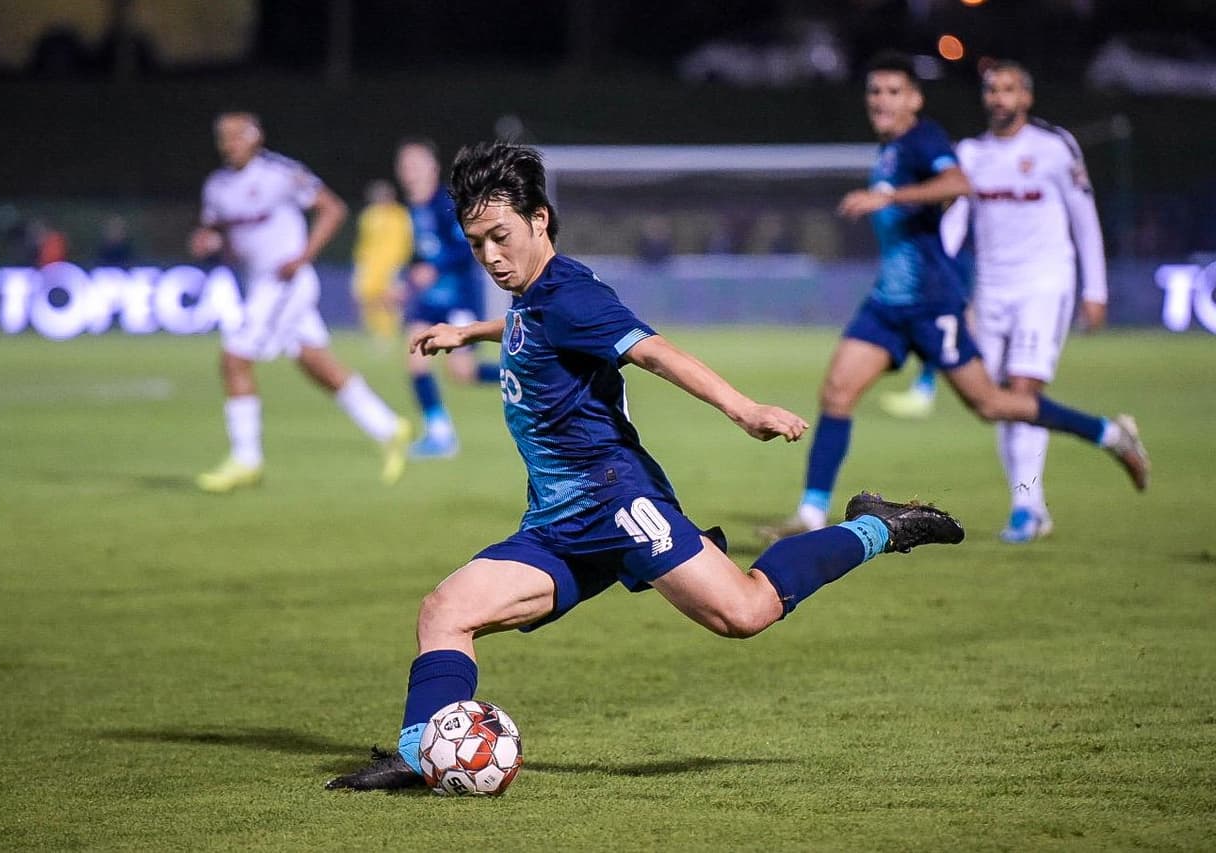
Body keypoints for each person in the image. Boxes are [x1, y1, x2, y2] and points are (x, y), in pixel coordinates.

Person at [325, 140, 967, 793]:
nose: (490, 256)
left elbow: (655, 351)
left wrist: (743, 408)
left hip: (618, 504)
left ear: (540, 219)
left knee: (744, 612)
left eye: (500, 236)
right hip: (557, 523)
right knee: (445, 610)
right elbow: (534, 327)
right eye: (475, 243)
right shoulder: (533, 292)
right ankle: (418, 754)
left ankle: (875, 527)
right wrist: (468, 333)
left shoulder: (572, 295)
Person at [757, 52, 1148, 542]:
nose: (881, 100)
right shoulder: (893, 148)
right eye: (875, 91)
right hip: (888, 304)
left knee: (993, 403)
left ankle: (1109, 435)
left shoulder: (924, 140)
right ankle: (811, 515)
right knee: (836, 393)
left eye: (894, 92)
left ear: (915, 100)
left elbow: (957, 184)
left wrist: (891, 197)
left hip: (931, 303)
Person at [879, 61, 1112, 542]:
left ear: (1026, 97)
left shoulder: (1053, 147)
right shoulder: (971, 153)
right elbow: (953, 225)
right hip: (991, 288)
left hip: (1045, 282)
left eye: (1009, 90)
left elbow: (1083, 217)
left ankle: (1025, 506)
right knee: (997, 399)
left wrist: (1096, 289)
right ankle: (1032, 504)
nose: (999, 98)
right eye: (992, 90)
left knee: (1022, 389)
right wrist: (934, 280)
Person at [189, 111, 412, 493]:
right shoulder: (218, 187)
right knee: (316, 364)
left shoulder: (280, 173)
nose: (229, 144)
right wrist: (209, 243)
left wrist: (303, 256)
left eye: (236, 136)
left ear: (254, 137)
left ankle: (247, 459)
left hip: (285, 283)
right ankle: (389, 427)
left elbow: (333, 209)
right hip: (258, 284)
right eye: (222, 137)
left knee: (233, 357)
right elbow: (220, 235)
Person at [394, 138, 499, 459]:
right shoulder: (414, 208)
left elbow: (465, 246)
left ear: (433, 167)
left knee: (462, 373)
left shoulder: (445, 204)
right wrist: (402, 281)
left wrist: (432, 267)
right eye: (405, 165)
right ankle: (440, 435)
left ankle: (539, 374)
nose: (409, 172)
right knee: (416, 359)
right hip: (431, 301)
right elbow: (422, 254)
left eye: (416, 164)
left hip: (459, 299)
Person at [349, 179, 411, 342]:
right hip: (370, 265)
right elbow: (363, 242)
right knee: (367, 298)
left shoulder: (400, 215)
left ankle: (391, 332)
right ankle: (374, 332)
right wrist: (360, 264)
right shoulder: (369, 216)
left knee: (390, 298)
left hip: (392, 264)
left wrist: (400, 262)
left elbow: (406, 241)